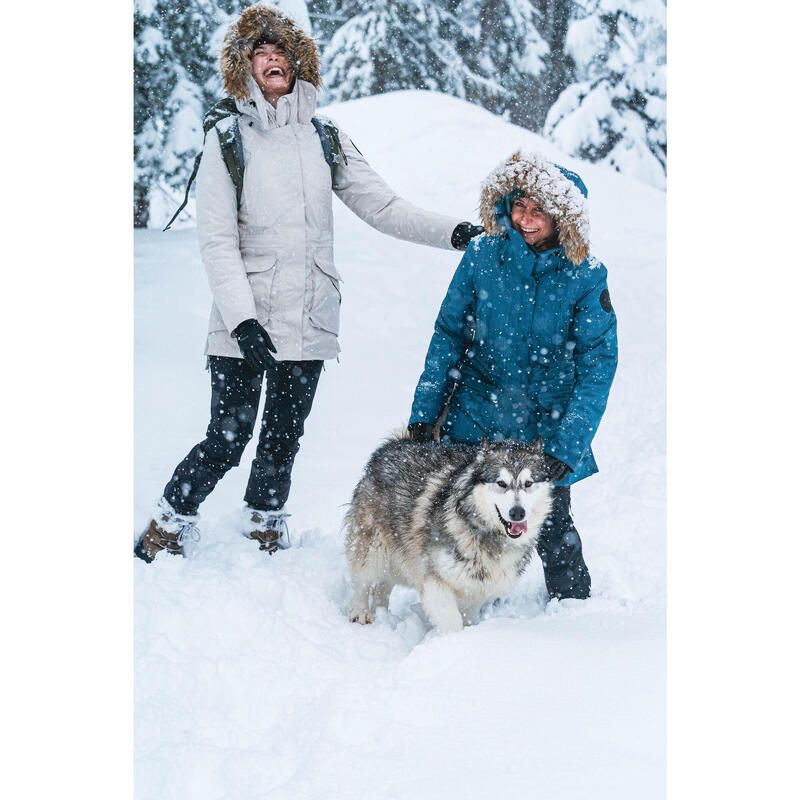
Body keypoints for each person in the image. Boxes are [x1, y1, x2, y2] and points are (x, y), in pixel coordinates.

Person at [135, 4, 482, 562]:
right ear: (244, 69)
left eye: (282, 54)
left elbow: (383, 206)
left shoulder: (325, 138)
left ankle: (263, 525)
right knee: (227, 439)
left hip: (311, 314)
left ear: (298, 65)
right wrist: (243, 319)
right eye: (260, 54)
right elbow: (217, 240)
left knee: (283, 435)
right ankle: (168, 521)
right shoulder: (227, 140)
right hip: (243, 319)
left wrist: (455, 233)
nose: (273, 61)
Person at [407, 151, 618, 600]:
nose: (525, 218)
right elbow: (449, 333)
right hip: (476, 419)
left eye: (539, 210)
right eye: (519, 206)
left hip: (544, 427)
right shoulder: (483, 254)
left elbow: (598, 365)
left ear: (563, 216)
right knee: (460, 519)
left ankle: (573, 607)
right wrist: (425, 409)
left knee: (553, 524)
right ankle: (457, 602)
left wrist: (568, 444)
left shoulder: (586, 275)